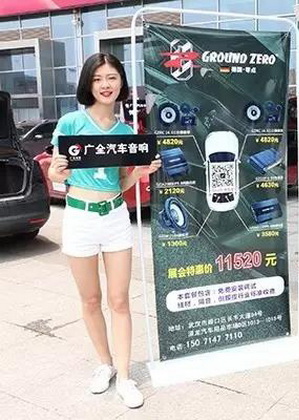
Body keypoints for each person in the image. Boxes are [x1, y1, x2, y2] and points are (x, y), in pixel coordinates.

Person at [48, 52, 161, 409]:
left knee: (119, 300)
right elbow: (55, 169)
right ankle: (105, 364)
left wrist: (140, 173)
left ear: (121, 83)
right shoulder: (70, 123)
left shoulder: (126, 133)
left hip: (114, 218)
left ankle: (125, 376)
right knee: (91, 299)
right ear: (88, 84)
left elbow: (121, 183)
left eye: (112, 77)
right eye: (98, 79)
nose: (105, 85)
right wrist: (56, 172)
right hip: (79, 218)